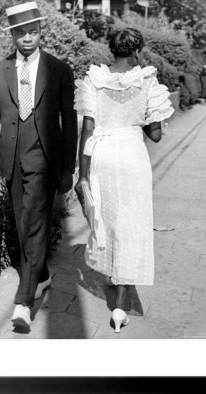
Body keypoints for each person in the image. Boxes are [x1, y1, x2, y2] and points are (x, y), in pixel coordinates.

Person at [0, 1, 78, 329]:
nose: (27, 39)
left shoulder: (59, 70)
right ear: (13, 36)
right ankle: (43, 275)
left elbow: (69, 123)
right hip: (12, 161)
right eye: (21, 33)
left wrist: (67, 169)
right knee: (24, 225)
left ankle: (23, 302)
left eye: (32, 32)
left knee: (34, 224)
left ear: (40, 32)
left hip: (45, 161)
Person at [74, 28, 174, 333]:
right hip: (132, 157)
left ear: (112, 51)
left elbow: (88, 129)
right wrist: (138, 117)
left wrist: (82, 174)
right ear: (137, 51)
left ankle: (110, 274)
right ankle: (119, 305)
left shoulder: (94, 79)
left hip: (102, 155)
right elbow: (155, 134)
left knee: (107, 219)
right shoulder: (147, 81)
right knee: (132, 223)